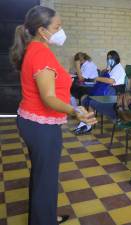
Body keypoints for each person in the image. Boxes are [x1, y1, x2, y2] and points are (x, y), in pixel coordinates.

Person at [9, 6, 96, 225]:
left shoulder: (36, 48)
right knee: (45, 177)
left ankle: (44, 217)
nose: (61, 31)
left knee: (42, 175)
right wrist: (75, 111)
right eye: (57, 27)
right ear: (42, 30)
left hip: (35, 121)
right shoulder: (40, 53)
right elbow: (48, 97)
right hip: (40, 125)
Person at [74, 50, 126, 134]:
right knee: (84, 98)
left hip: (114, 95)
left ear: (116, 58)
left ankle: (88, 125)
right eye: (108, 58)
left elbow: (111, 81)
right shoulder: (112, 68)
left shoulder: (118, 68)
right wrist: (105, 71)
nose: (109, 60)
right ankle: (86, 122)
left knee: (91, 102)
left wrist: (97, 78)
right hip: (107, 92)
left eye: (111, 58)